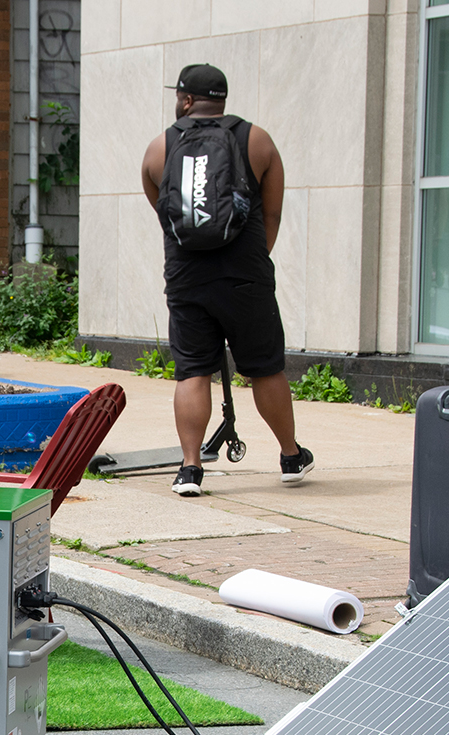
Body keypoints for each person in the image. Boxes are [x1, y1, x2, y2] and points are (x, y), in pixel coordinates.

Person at [139, 64, 313, 498]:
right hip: (245, 276)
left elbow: (163, 212)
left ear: (184, 100)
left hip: (186, 277)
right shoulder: (257, 140)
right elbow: (271, 213)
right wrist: (253, 258)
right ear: (223, 99)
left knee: (193, 371)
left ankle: (190, 469)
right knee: (265, 368)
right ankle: (290, 457)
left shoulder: (160, 148)